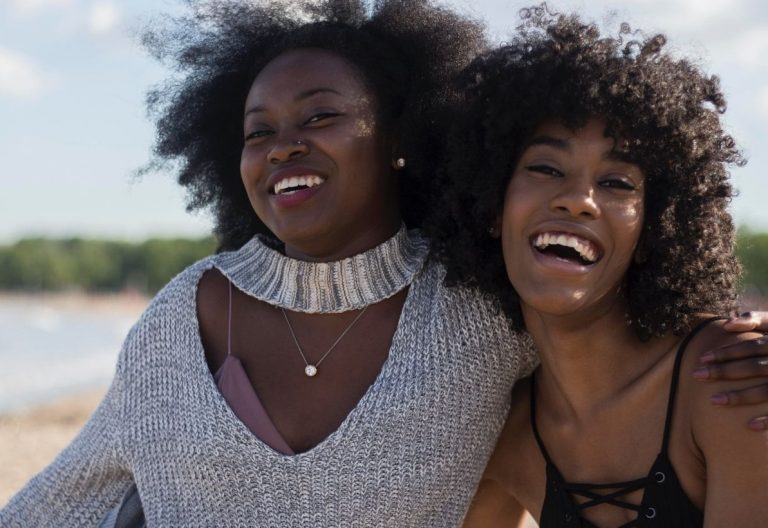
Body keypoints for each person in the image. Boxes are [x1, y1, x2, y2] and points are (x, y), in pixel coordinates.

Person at [2, 2, 768, 527]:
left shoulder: (477, 309)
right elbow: (56, 504)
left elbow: (605, 319)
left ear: (401, 137)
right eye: (256, 131)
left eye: (322, 116)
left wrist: (743, 329)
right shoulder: (179, 318)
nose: (284, 145)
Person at [424, 7, 768, 527]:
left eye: (617, 183)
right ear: (492, 206)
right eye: (545, 167)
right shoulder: (506, 432)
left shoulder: (732, 378)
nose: (578, 200)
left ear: (654, 228)